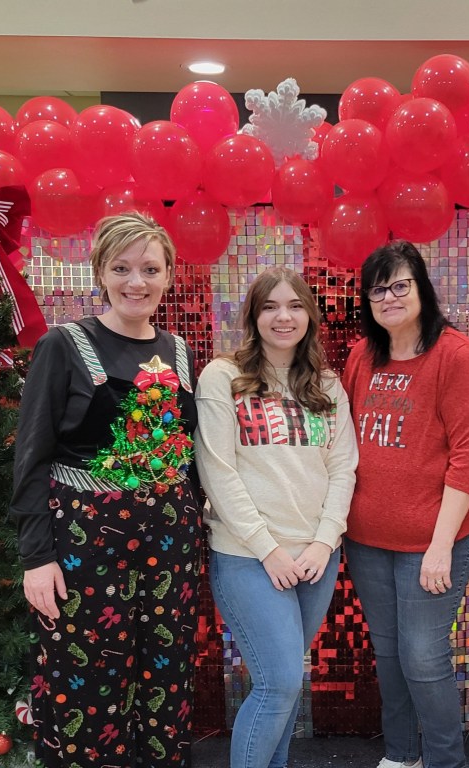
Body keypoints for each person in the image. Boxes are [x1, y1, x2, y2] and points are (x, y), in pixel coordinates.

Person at [12, 213, 203, 767]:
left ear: (168, 275)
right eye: (121, 268)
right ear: (100, 272)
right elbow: (30, 458)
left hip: (169, 545)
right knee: (87, 682)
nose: (135, 282)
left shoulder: (180, 351)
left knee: (166, 679)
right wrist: (37, 557)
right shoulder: (64, 344)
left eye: (149, 268)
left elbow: (184, 455)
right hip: (85, 548)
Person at [194, 266, 358, 768]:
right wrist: (268, 549)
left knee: (284, 684)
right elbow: (218, 474)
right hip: (248, 556)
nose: (283, 317)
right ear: (253, 316)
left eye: (293, 306)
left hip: (314, 559)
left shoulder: (327, 384)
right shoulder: (223, 377)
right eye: (270, 307)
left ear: (309, 314)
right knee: (279, 681)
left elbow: (344, 468)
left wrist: (323, 543)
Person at [342, 241, 469, 768]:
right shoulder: (361, 357)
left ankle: (445, 761)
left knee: (424, 659)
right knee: (389, 656)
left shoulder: (456, 355)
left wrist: (440, 546)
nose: (389, 297)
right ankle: (401, 756)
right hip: (366, 541)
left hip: (433, 542)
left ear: (422, 289)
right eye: (378, 289)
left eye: (400, 285)